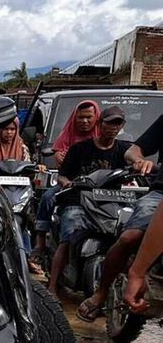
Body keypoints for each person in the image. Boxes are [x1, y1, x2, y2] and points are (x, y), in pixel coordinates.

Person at [81, 113, 163, 318]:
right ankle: (101, 293)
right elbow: (133, 151)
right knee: (130, 237)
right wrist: (139, 161)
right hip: (159, 193)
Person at [48, 106, 130, 297]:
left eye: (117, 123)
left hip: (110, 203)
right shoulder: (80, 149)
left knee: (127, 235)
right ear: (100, 124)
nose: (113, 127)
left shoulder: (124, 149)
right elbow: (62, 176)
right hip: (78, 201)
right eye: (109, 122)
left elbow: (135, 158)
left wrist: (141, 165)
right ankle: (52, 286)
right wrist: (68, 183)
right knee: (69, 236)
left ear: (122, 126)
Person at [32, 100, 100, 266]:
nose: (84, 121)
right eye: (81, 117)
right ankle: (40, 242)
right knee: (47, 197)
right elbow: (60, 163)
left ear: (96, 118)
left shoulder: (103, 138)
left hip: (100, 187)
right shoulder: (68, 135)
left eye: (88, 117)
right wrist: (59, 159)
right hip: (70, 184)